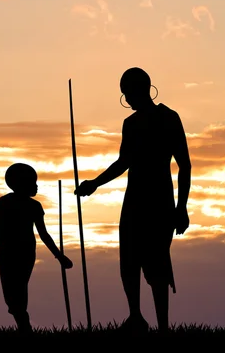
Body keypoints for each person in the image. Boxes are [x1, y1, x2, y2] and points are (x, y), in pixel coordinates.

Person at [74, 67, 191, 333]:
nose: (128, 99)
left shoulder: (169, 118)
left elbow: (184, 165)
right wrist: (94, 184)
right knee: (129, 260)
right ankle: (135, 316)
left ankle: (163, 325)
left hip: (160, 200)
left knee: (157, 262)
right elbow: (124, 162)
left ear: (144, 90)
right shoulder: (131, 124)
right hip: (134, 200)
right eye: (125, 95)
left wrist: (181, 208)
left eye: (129, 93)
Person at [0, 162, 74, 334]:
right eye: (32, 182)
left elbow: (43, 234)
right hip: (7, 251)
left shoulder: (35, 206)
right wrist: (13, 229)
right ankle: (23, 323)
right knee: (10, 291)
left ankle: (24, 326)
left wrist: (59, 256)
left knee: (19, 288)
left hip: (26, 252)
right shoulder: (5, 201)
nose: (36, 186)